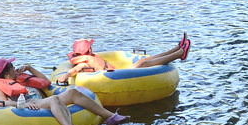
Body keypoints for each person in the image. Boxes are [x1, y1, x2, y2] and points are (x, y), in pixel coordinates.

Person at [0, 58, 126, 125]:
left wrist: (30, 68)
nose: (15, 67)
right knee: (55, 99)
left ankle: (110, 117)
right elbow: (3, 103)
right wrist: (24, 104)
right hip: (31, 105)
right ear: (7, 73)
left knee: (73, 93)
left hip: (42, 101)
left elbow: (45, 82)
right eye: (12, 67)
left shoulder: (20, 79)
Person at [56, 35, 191, 84]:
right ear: (88, 50)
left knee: (145, 60)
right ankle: (180, 54)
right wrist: (65, 75)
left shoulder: (88, 57)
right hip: (117, 76)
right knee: (142, 62)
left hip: (118, 71)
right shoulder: (84, 62)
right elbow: (75, 69)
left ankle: (177, 49)